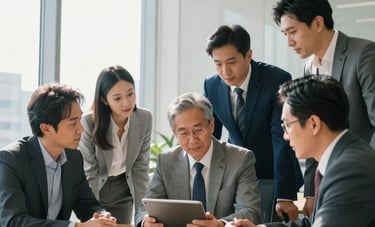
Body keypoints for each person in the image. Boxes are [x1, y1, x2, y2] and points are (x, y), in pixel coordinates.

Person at [225, 75, 375, 227]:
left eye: (287, 125)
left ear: (313, 124)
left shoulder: (349, 170)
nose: (285, 136)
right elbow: (312, 223)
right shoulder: (342, 159)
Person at [272, 0, 375, 217]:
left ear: (318, 23)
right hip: (329, 182)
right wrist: (311, 192)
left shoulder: (364, 55)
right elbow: (312, 131)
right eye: (284, 35)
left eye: (293, 31)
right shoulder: (309, 67)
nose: (289, 42)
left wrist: (366, 170)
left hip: (361, 178)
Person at [203, 24, 303, 221]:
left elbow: (281, 139)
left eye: (231, 62)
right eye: (218, 63)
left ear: (248, 55)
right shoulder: (211, 85)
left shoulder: (276, 79)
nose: (225, 71)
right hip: (236, 176)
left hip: (272, 173)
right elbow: (212, 135)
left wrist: (284, 195)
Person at [135, 92, 261, 227]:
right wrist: (146, 222)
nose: (192, 140)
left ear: (211, 125)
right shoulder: (166, 161)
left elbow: (249, 211)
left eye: (198, 130)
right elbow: (144, 208)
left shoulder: (240, 159)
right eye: (183, 133)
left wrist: (220, 225)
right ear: (174, 133)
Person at [0, 83, 117, 227]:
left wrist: (102, 216)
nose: (81, 129)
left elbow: (87, 205)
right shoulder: (11, 160)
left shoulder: (74, 158)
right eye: (72, 123)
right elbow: (14, 222)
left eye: (79, 119)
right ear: (46, 129)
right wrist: (76, 226)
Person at [79, 65, 152, 224]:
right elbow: (89, 171)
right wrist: (93, 212)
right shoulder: (89, 123)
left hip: (123, 190)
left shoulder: (144, 118)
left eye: (130, 94)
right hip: (96, 188)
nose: (126, 103)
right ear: (104, 100)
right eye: (117, 98)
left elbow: (140, 168)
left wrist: (142, 215)